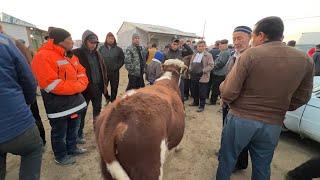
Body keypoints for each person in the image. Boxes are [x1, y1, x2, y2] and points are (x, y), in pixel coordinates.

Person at [216, 16, 314, 180]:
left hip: (241, 118)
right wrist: (280, 108)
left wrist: (222, 87)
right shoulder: (305, 60)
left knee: (227, 159)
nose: (253, 40)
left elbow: (228, 93)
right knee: (262, 165)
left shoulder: (251, 54)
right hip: (273, 123)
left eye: (253, 36)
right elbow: (303, 96)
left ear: (261, 35)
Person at [32, 28, 89, 166]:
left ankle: (72, 148)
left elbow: (81, 71)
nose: (71, 42)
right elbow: (51, 84)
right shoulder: (43, 56)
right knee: (59, 132)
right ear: (60, 41)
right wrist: (77, 86)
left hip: (74, 102)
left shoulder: (69, 55)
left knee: (73, 127)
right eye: (69, 39)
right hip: (58, 106)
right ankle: (60, 156)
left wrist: (80, 84)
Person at [0, 33, 43, 180]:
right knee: (33, 149)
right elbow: (28, 78)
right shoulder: (5, 42)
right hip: (15, 122)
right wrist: (28, 102)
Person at [221, 26, 252, 172]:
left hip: (241, 105)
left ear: (250, 37)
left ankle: (239, 163)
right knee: (227, 131)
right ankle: (225, 154)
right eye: (234, 39)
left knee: (240, 137)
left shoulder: (252, 56)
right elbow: (228, 77)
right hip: (228, 100)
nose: (237, 42)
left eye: (240, 38)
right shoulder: (234, 55)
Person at [73, 30, 108, 144]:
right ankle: (78, 133)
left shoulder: (97, 53)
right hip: (84, 89)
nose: (93, 44)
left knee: (97, 110)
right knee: (82, 112)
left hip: (97, 87)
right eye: (91, 42)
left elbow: (102, 69)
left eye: (95, 42)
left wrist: (104, 85)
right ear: (85, 41)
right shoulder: (76, 53)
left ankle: (97, 130)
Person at [189, 40, 214, 112]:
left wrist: (203, 70)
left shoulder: (208, 55)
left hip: (203, 76)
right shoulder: (194, 54)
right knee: (194, 90)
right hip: (194, 76)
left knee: (202, 92)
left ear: (205, 46)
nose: (201, 47)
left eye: (202, 46)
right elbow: (191, 63)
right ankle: (195, 102)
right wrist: (190, 69)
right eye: (199, 46)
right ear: (197, 47)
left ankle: (201, 106)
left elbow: (211, 65)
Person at [99, 32, 124, 102]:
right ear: (106, 39)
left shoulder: (118, 49)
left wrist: (117, 66)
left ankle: (113, 101)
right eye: (109, 38)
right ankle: (107, 97)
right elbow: (98, 59)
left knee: (114, 88)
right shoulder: (101, 49)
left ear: (114, 39)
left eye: (112, 38)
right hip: (104, 73)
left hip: (115, 73)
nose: (111, 40)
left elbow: (122, 59)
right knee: (103, 87)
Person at [210, 39, 231, 105]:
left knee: (216, 88)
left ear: (225, 45)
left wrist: (213, 66)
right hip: (219, 73)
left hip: (219, 73)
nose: (220, 46)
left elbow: (221, 63)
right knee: (217, 88)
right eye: (219, 45)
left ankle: (213, 101)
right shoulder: (224, 51)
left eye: (221, 45)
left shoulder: (225, 52)